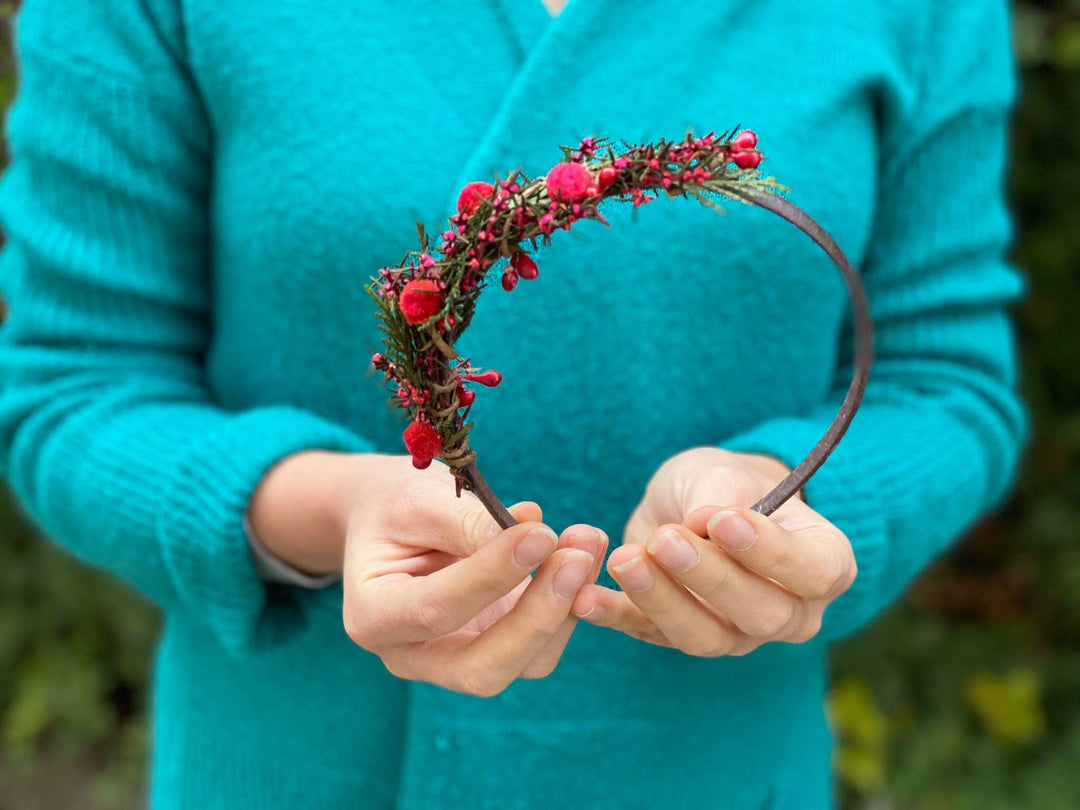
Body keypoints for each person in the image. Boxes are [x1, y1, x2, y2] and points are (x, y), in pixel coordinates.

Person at [0, 1, 1025, 808]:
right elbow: (77, 387)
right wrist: (319, 507)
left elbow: (946, 386)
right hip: (294, 770)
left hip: (713, 770)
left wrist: (776, 497)